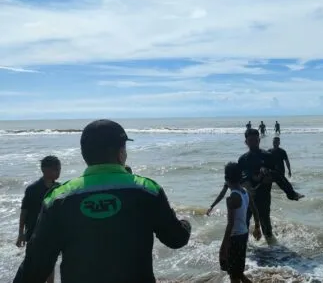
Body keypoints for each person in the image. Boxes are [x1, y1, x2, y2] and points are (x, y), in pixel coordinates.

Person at [13, 119, 191, 283]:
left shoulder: (58, 197)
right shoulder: (147, 190)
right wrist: (185, 224)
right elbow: (176, 239)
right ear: (121, 154)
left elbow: (35, 266)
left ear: (84, 154)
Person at [207, 129, 303, 245]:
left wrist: (268, 176)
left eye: (255, 140)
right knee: (244, 226)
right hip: (247, 198)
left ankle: (274, 252)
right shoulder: (242, 159)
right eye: (250, 140)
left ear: (259, 140)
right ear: (246, 142)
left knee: (266, 227)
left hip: (264, 196)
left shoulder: (268, 156)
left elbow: (277, 175)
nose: (253, 143)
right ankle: (246, 253)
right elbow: (237, 179)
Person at [16, 155, 61, 283]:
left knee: (50, 262)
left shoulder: (59, 188)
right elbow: (24, 212)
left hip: (52, 233)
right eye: (55, 169)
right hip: (34, 232)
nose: (58, 172)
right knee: (34, 262)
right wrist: (21, 234)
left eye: (59, 169)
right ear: (44, 170)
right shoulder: (32, 189)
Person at [219, 162, 262, 283]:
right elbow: (254, 209)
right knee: (239, 273)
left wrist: (223, 246)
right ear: (240, 177)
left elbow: (230, 224)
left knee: (234, 276)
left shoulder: (232, 198)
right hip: (244, 235)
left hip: (234, 238)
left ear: (226, 179)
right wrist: (257, 227)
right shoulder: (245, 192)